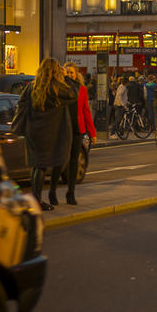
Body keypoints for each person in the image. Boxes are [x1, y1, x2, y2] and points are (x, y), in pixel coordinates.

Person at [12, 57, 77, 211]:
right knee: (41, 167)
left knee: (36, 166)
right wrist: (66, 76)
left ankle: (36, 198)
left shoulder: (32, 86)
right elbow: (74, 93)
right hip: (50, 133)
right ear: (56, 71)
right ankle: (37, 200)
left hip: (33, 132)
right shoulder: (56, 87)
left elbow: (21, 104)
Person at [63, 63, 97, 205]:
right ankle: (52, 191)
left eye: (72, 73)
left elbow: (86, 112)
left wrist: (92, 133)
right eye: (67, 73)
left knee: (74, 161)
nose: (70, 75)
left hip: (77, 129)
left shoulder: (82, 90)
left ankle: (70, 192)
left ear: (76, 74)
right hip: (64, 129)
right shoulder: (61, 89)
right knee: (60, 162)